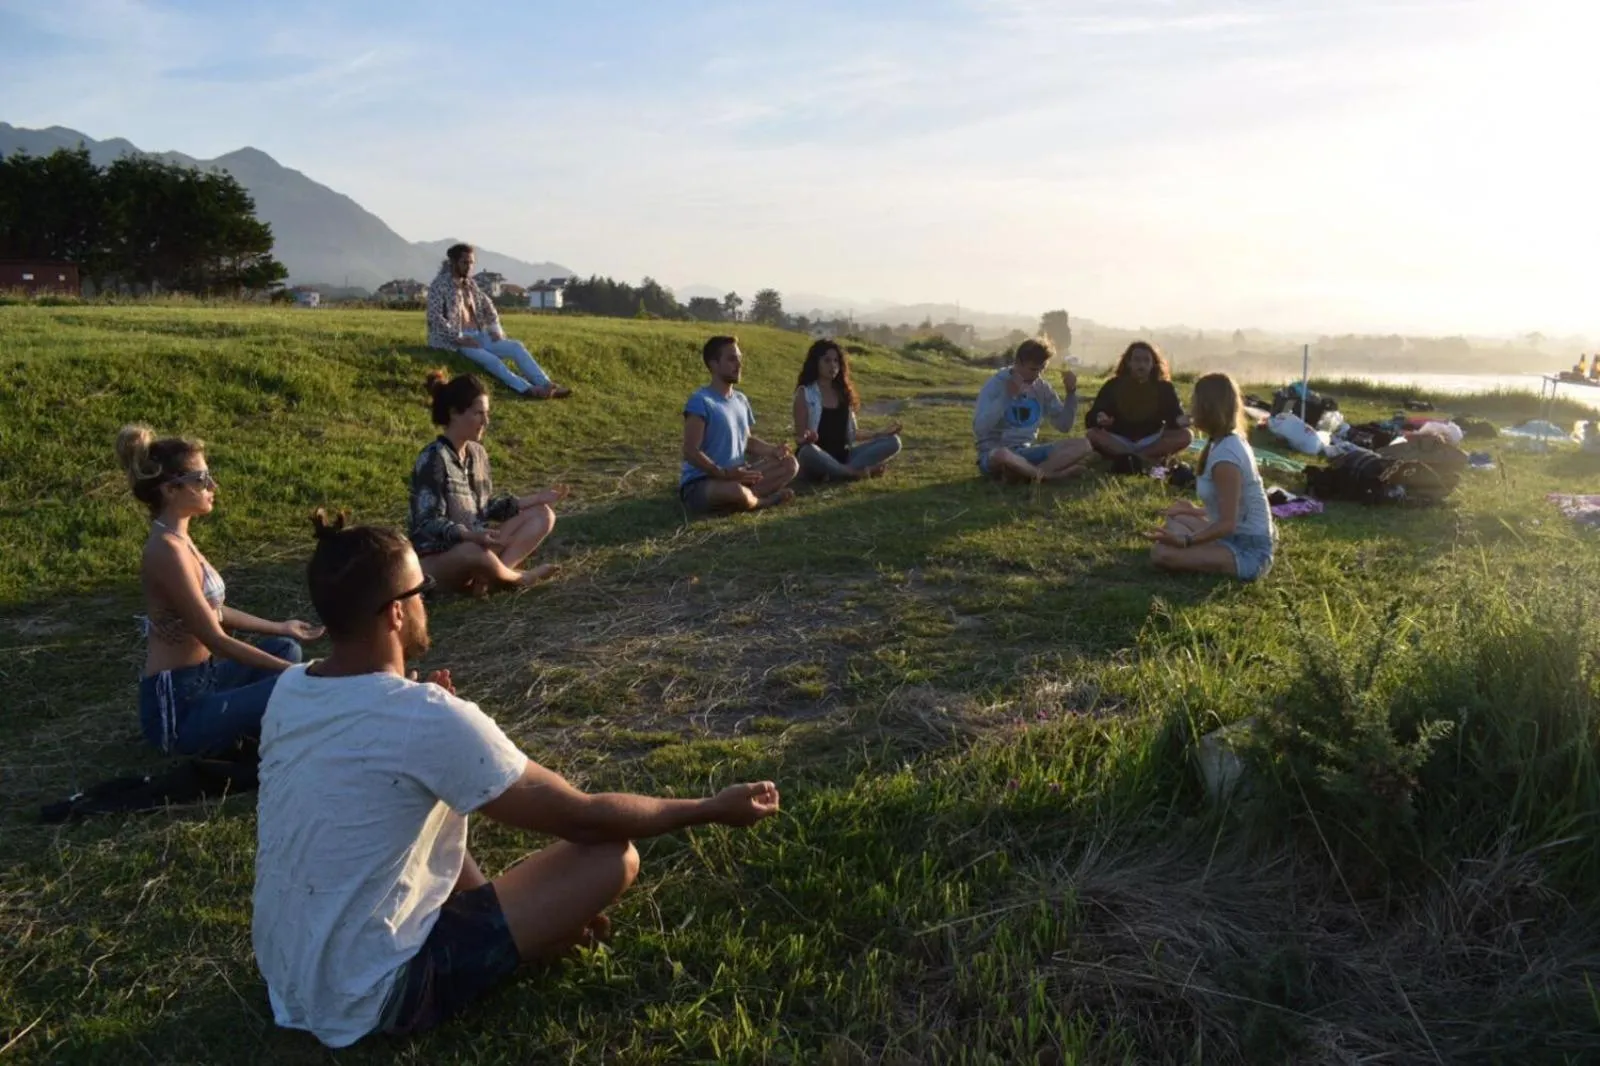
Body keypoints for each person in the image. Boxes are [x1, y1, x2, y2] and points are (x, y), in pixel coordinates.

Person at [252, 512, 782, 1048]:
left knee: (430, 804)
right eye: (422, 591)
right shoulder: (423, 718)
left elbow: (382, 785)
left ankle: (515, 932)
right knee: (611, 857)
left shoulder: (292, 690)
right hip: (375, 995)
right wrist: (711, 808)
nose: (426, 603)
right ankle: (527, 944)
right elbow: (584, 818)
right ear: (395, 613)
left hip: (292, 978)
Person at [115, 424, 322, 756]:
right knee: (290, 684)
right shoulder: (166, 550)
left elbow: (213, 610)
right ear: (171, 489)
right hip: (179, 710)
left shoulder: (179, 537)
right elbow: (215, 639)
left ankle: (255, 725)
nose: (213, 486)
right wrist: (303, 675)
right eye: (201, 479)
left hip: (206, 678)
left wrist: (281, 627)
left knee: (285, 647)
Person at [408, 372, 567, 594]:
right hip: (441, 559)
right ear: (454, 413)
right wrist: (469, 535)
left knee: (543, 514)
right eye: (478, 413)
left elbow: (485, 507)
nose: (486, 422)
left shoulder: (477, 454)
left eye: (487, 414)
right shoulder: (433, 458)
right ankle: (518, 578)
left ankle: (489, 578)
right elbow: (426, 523)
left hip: (478, 544)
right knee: (472, 551)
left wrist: (537, 499)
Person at [1144, 373, 1276, 581]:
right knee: (1177, 516)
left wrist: (1186, 541)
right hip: (1233, 535)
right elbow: (1232, 504)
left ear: (1206, 408)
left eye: (1194, 402)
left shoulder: (1226, 456)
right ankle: (1198, 548)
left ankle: (1195, 551)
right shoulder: (1221, 442)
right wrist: (1194, 511)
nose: (1191, 408)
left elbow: (1227, 523)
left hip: (1248, 549)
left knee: (1161, 554)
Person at [426, 243, 571, 399]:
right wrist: (458, 337)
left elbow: (489, 306)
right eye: (465, 262)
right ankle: (528, 389)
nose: (469, 267)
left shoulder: (471, 285)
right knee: (492, 360)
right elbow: (435, 317)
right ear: (453, 262)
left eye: (472, 263)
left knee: (516, 347)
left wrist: (495, 329)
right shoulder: (439, 285)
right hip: (455, 341)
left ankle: (546, 385)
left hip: (478, 335)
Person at [680, 335, 799, 514]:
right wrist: (723, 473)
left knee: (790, 464)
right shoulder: (700, 401)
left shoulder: (740, 400)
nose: (739, 364)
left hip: (739, 475)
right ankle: (761, 501)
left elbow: (746, 441)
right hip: (703, 482)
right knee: (735, 491)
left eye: (739, 359)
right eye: (731, 359)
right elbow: (690, 451)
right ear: (714, 365)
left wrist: (773, 450)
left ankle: (744, 498)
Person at [972, 338, 1093, 481]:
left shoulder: (1041, 387)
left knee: (1084, 445)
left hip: (1026, 452)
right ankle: (1049, 475)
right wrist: (1006, 397)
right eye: (1033, 369)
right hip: (994, 453)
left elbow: (1064, 426)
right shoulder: (996, 384)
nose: (1037, 375)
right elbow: (980, 429)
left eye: (1042, 369)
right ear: (1018, 363)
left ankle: (1025, 473)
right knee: (1002, 455)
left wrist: (1071, 392)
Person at [791, 338, 903, 481]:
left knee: (894, 441)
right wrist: (808, 438)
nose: (833, 365)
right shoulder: (805, 393)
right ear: (816, 363)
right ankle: (854, 473)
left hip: (844, 456)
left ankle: (838, 473)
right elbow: (800, 439)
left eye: (836, 361)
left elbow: (853, 434)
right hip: (817, 457)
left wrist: (880, 434)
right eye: (827, 360)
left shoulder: (842, 393)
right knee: (807, 451)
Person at [1084, 340, 1193, 472]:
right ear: (1128, 362)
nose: (1141, 365)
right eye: (1137, 360)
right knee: (1092, 434)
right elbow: (1092, 417)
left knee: (1186, 435)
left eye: (1146, 360)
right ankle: (1141, 458)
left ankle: (1135, 457)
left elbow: (1174, 416)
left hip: (1151, 440)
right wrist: (1099, 417)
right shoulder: (1113, 385)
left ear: (1153, 364)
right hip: (1119, 439)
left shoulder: (1164, 388)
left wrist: (1180, 420)